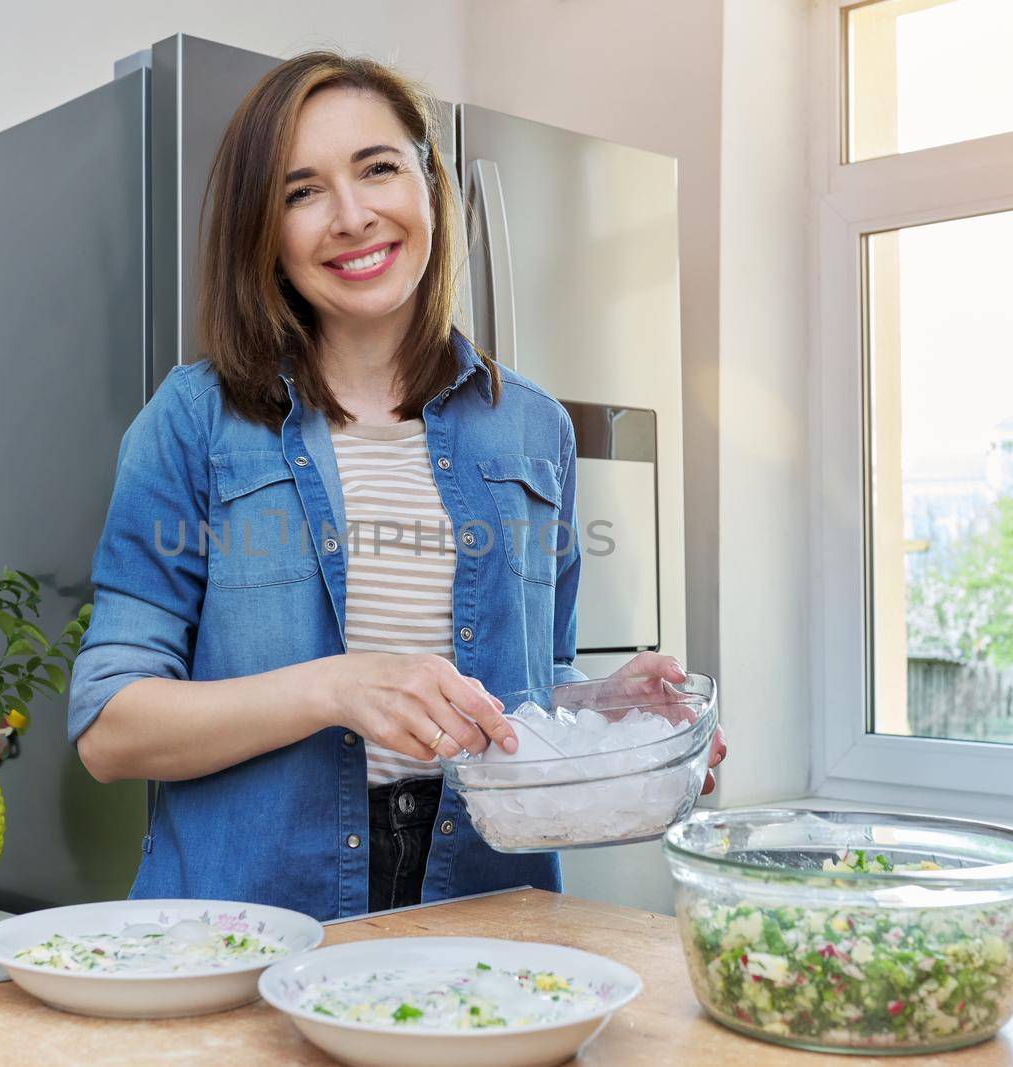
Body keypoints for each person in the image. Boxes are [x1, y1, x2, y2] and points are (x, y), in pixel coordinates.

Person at [69, 50, 727, 921]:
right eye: (301, 191)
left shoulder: (534, 429)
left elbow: (526, 689)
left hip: (487, 908)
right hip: (245, 921)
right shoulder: (194, 421)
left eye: (378, 169)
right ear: (261, 229)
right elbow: (110, 728)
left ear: (430, 185)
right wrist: (332, 688)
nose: (352, 215)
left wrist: (605, 712)